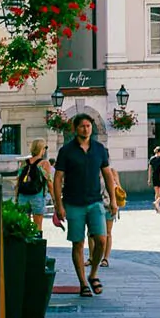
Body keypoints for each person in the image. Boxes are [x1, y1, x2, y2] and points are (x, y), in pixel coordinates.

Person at [51, 115, 119, 298]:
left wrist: (113, 200)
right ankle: (82, 283)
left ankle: (93, 273)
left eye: (88, 126)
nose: (86, 129)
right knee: (78, 243)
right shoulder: (66, 151)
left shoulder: (99, 149)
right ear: (75, 129)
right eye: (82, 126)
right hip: (73, 203)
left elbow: (107, 175)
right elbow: (57, 179)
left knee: (101, 240)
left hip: (95, 202)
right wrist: (59, 205)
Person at [15, 139, 53, 232]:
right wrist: (54, 199)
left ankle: (26, 245)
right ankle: (37, 245)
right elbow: (49, 182)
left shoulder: (24, 162)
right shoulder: (44, 163)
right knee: (37, 226)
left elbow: (18, 182)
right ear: (42, 149)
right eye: (45, 148)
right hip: (37, 196)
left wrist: (16, 197)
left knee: (24, 226)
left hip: (23, 196)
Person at [148, 146, 160, 213]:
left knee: (157, 193)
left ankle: (157, 209)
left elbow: (150, 170)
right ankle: (156, 202)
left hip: (154, 177)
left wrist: (149, 179)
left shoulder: (151, 159)